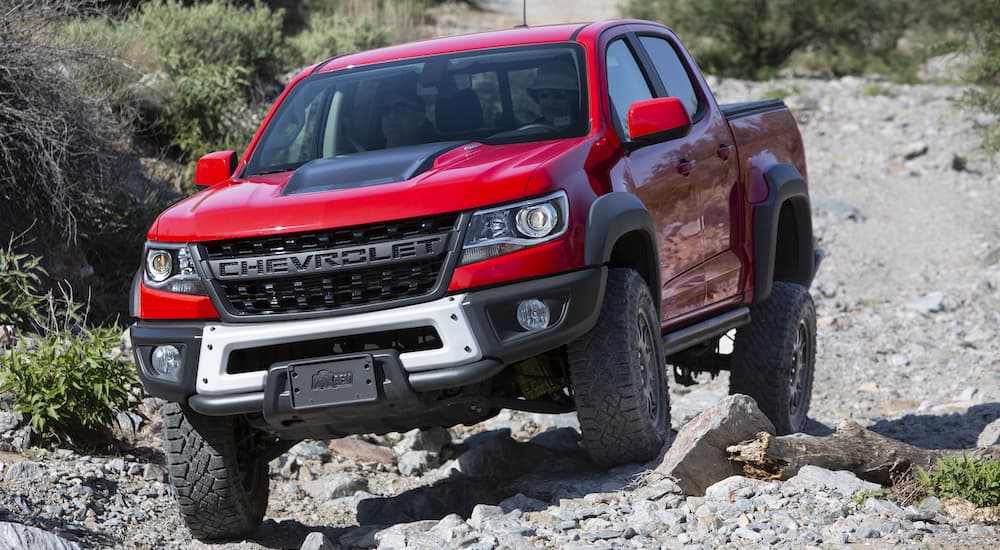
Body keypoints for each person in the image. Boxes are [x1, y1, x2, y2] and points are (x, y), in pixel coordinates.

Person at [377, 80, 436, 148]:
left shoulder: (439, 153)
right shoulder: (367, 156)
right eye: (385, 110)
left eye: (401, 109)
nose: (391, 116)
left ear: (420, 117)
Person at [527, 60, 581, 128]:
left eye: (559, 96)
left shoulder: (584, 127)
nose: (550, 103)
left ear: (574, 98)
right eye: (543, 96)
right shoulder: (533, 129)